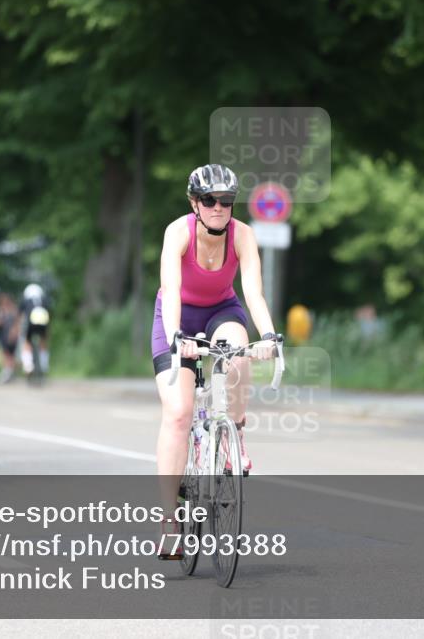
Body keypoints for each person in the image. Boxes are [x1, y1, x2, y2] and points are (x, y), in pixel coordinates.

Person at [152, 164, 279, 558]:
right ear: (195, 203)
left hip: (222, 311)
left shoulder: (243, 236)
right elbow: (171, 290)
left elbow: (254, 293)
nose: (219, 208)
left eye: (226, 201)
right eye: (210, 200)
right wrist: (177, 337)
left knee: (238, 358)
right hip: (177, 318)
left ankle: (235, 435)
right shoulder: (178, 233)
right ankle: (169, 522)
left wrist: (269, 336)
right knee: (178, 413)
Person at [19, 283, 50, 377]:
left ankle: (28, 367)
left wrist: (21, 330)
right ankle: (44, 366)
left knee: (27, 343)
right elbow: (49, 315)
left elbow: (21, 316)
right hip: (43, 322)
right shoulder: (44, 300)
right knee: (43, 342)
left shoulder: (26, 300)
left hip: (31, 321)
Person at [0, 292, 19, 383]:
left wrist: (15, 332)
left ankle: (10, 373)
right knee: (6, 354)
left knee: (11, 355)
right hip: (2, 335)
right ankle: (7, 372)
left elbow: (18, 322)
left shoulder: (14, 310)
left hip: (12, 336)